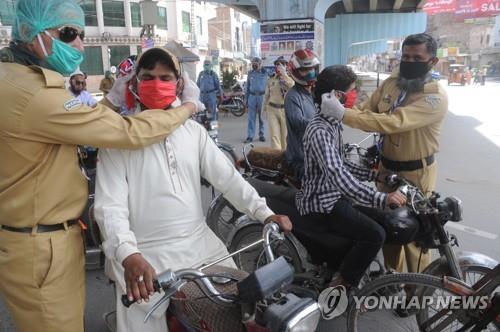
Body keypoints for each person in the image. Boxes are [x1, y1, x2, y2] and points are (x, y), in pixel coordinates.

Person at [0, 1, 204, 331]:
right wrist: (188, 107)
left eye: (81, 34)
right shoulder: (36, 95)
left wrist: (109, 101)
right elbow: (128, 132)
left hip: (39, 240)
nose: (80, 44)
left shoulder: (17, 80)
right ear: (32, 32)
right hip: (41, 245)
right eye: (69, 34)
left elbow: (82, 118)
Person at [94, 47, 292, 332]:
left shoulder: (192, 132)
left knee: (242, 311)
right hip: (145, 256)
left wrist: (265, 213)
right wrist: (128, 254)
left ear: (179, 84)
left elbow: (229, 180)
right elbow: (109, 207)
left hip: (202, 248)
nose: (156, 83)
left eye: (165, 77)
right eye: (148, 77)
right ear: (135, 83)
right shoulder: (118, 138)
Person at [320, 33, 448, 274]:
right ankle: (393, 280)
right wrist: (342, 108)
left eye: (417, 57)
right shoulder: (392, 82)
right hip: (386, 170)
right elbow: (367, 111)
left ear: (432, 62)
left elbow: (393, 122)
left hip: (417, 172)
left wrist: (343, 115)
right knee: (391, 227)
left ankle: (416, 292)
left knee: (414, 233)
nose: (409, 62)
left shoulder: (435, 97)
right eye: (406, 56)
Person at [297, 65, 407, 289]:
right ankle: (343, 284)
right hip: (322, 204)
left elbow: (342, 163)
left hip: (334, 197)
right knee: (375, 234)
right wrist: (381, 197)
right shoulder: (319, 130)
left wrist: (375, 175)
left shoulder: (332, 124)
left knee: (383, 220)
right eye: (352, 90)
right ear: (337, 95)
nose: (356, 94)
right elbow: (337, 174)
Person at [283, 49, 320, 181]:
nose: (310, 73)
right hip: (300, 159)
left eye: (312, 69)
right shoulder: (293, 96)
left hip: (316, 154)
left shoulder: (315, 93)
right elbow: (298, 122)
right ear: (295, 72)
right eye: (305, 70)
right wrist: (323, 124)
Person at [263, 56, 294, 150]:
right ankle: (277, 158)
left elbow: (291, 86)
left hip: (284, 110)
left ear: (285, 66)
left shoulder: (289, 79)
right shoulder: (271, 79)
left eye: (281, 64)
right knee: (274, 136)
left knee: (285, 137)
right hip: (272, 109)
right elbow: (267, 95)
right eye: (276, 64)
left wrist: (284, 74)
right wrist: (264, 108)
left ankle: (285, 157)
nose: (278, 66)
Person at [245, 57, 268, 143]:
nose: (254, 65)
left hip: (262, 97)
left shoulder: (264, 73)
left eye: (256, 64)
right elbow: (247, 87)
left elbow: (269, 85)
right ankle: (250, 136)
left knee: (261, 117)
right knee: (251, 118)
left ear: (260, 64)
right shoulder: (250, 74)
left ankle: (261, 134)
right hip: (252, 97)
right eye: (253, 64)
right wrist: (246, 101)